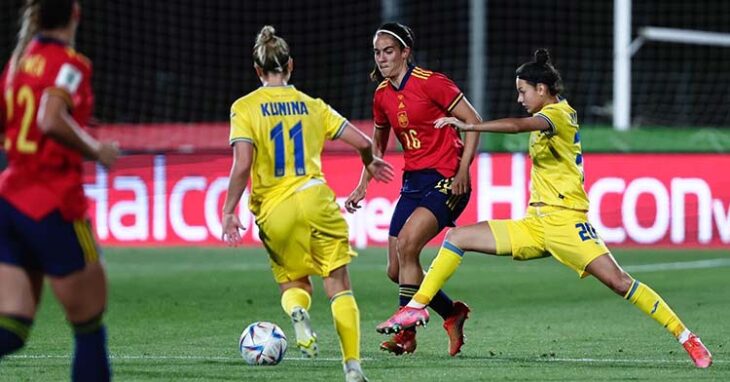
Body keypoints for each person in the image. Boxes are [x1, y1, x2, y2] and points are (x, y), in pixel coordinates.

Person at [375, 48, 713, 369]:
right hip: (534, 224)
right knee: (458, 236)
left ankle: (687, 337)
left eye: (523, 91)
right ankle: (417, 307)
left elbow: (517, 126)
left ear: (542, 88)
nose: (520, 99)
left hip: (566, 224)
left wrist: (469, 126)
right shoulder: (544, 113)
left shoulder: (558, 114)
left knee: (619, 282)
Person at [221, 25, 394, 382]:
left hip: (275, 208)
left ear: (257, 70)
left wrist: (228, 211)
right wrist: (369, 161)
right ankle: (352, 366)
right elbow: (363, 141)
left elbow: (241, 165)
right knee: (338, 282)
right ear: (291, 66)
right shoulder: (313, 106)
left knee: (294, 284)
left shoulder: (245, 108)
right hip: (317, 199)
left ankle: (298, 314)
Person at [344, 22, 481, 356]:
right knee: (396, 269)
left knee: (408, 245)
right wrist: (362, 184)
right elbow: (377, 144)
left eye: (388, 51)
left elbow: (474, 121)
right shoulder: (381, 95)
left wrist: (464, 170)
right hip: (413, 183)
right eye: (377, 52)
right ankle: (452, 312)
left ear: (405, 52)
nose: (382, 58)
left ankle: (405, 333)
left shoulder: (432, 83)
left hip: (447, 178)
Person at [0, 0, 119, 381]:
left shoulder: (16, 65)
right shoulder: (71, 64)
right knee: (89, 325)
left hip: (10, 200)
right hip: (53, 203)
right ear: (75, 14)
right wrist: (95, 149)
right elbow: (49, 119)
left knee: (11, 327)